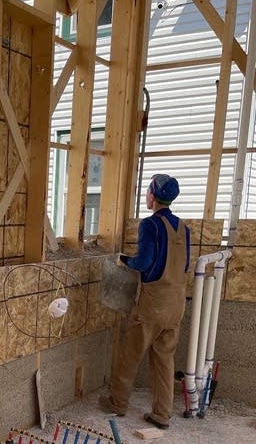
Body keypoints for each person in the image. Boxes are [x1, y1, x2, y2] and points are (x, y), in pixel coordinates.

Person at [100, 173, 190, 430]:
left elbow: (144, 262)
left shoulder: (150, 225)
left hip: (154, 303)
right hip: (176, 304)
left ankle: (117, 404)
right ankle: (162, 414)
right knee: (164, 359)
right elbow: (184, 264)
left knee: (130, 353)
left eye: (148, 191)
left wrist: (124, 260)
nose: (146, 196)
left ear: (153, 194)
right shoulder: (184, 228)